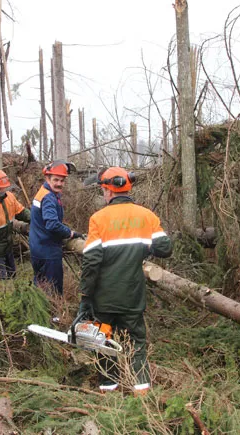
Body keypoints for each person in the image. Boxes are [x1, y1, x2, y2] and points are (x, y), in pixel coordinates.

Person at [78, 166, 172, 395]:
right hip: (132, 296)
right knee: (137, 344)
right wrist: (142, 247)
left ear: (108, 191)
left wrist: (85, 298)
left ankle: (109, 393)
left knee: (104, 342)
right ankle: (143, 394)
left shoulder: (98, 219)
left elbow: (91, 263)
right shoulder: (146, 215)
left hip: (104, 299)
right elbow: (165, 248)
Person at [29, 160, 84, 295]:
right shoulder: (48, 197)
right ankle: (54, 316)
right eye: (56, 180)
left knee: (40, 287)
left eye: (62, 180)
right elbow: (52, 224)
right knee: (53, 290)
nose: (59, 183)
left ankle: (40, 314)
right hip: (48, 251)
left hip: (37, 247)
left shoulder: (43, 192)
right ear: (47, 178)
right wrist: (69, 233)